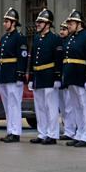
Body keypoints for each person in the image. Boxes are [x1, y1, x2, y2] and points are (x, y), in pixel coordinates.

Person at [62, 10, 86, 148]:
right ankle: (80, 133)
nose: (68, 26)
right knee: (76, 106)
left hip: (82, 76)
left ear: (79, 23)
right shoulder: (71, 38)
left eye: (71, 23)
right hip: (71, 76)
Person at [29, 9, 64, 145]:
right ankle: (42, 133)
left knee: (51, 107)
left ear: (48, 24)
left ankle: (52, 134)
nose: (38, 24)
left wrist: (57, 77)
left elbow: (58, 59)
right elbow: (32, 60)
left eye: (41, 22)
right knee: (40, 107)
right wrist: (31, 78)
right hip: (38, 77)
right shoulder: (37, 38)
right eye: (38, 21)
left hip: (49, 76)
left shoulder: (55, 39)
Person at [0, 7, 28, 143]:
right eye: (4, 21)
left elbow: (22, 57)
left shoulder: (19, 37)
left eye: (6, 21)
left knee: (14, 104)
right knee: (7, 105)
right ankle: (10, 130)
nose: (4, 23)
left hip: (13, 74)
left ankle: (15, 132)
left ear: (13, 23)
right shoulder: (4, 38)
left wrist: (20, 75)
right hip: (4, 74)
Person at [58, 20, 76, 140]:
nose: (62, 32)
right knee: (63, 108)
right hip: (60, 78)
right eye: (61, 29)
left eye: (64, 29)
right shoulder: (59, 43)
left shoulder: (70, 42)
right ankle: (66, 128)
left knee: (70, 107)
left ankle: (71, 130)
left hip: (68, 77)